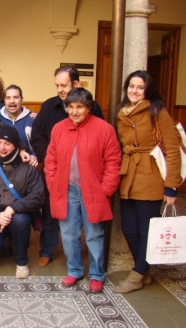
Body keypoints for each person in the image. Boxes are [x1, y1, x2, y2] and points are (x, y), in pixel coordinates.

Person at [44, 88, 121, 293]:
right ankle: (75, 270)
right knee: (68, 233)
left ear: (89, 108)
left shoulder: (104, 129)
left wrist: (105, 189)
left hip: (93, 191)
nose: (74, 111)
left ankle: (96, 274)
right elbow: (50, 159)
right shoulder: (59, 128)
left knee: (94, 234)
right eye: (70, 107)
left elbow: (113, 162)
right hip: (66, 189)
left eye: (79, 107)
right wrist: (53, 183)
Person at [114, 70, 182, 294]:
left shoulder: (156, 110)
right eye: (131, 86)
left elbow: (171, 148)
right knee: (129, 229)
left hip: (151, 173)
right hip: (128, 175)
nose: (134, 91)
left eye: (140, 87)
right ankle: (144, 269)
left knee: (147, 230)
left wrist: (171, 185)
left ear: (147, 89)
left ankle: (137, 274)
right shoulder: (120, 112)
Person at [30, 66, 104, 267]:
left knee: (88, 220)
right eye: (57, 85)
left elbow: (101, 142)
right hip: (56, 172)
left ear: (76, 84)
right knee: (52, 212)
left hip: (86, 174)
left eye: (64, 85)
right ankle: (47, 249)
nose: (60, 89)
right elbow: (37, 135)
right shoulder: (49, 106)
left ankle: (89, 260)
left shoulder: (93, 108)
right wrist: (52, 160)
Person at [0, 125, 44, 279]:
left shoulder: (28, 166)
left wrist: (12, 208)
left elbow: (38, 196)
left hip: (16, 214)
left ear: (16, 146)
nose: (2, 147)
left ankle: (21, 261)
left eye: (7, 144)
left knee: (20, 220)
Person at [0, 84, 35, 156]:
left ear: (21, 99)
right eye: (8, 98)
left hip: (26, 163)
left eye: (15, 97)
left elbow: (38, 144)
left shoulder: (31, 119)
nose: (12, 101)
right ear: (4, 100)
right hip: (2, 164)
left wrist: (34, 156)